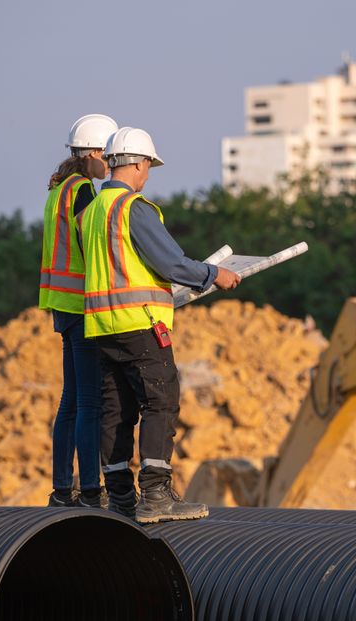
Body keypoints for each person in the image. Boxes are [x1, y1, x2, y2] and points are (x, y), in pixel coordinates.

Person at [80, 126, 240, 523]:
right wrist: (213, 275)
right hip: (141, 324)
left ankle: (119, 497)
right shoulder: (132, 209)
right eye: (148, 165)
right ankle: (155, 496)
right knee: (160, 402)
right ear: (135, 164)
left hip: (101, 329)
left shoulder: (89, 214)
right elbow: (169, 263)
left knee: (114, 411)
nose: (148, 174)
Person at [40, 113, 120, 508]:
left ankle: (61, 489)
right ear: (92, 152)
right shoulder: (84, 191)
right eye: (110, 155)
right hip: (82, 305)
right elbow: (96, 246)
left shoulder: (59, 189)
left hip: (62, 305)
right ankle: (91, 489)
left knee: (70, 401)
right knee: (90, 401)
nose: (112, 164)